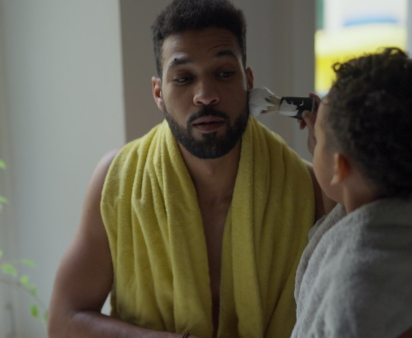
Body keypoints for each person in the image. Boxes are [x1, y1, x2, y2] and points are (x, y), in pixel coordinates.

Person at [47, 1, 327, 337]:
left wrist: (337, 156)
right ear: (158, 93)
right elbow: (64, 320)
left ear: (248, 82)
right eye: (183, 78)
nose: (205, 95)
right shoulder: (116, 181)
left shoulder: (308, 187)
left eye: (224, 74)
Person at [292, 48, 412, 337]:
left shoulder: (355, 292)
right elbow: (360, 194)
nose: (314, 144)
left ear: (342, 167)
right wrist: (327, 145)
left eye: (319, 140)